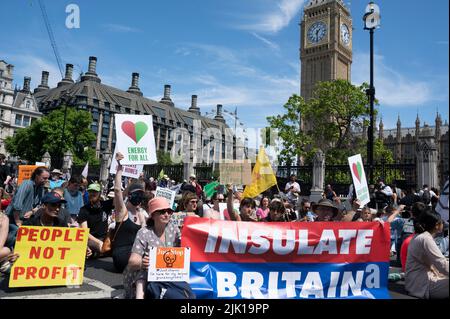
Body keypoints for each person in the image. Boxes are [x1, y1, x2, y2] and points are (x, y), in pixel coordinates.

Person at [124, 197, 181, 299]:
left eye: (169, 211)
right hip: (145, 275)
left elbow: (183, 251)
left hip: (169, 273)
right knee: (143, 272)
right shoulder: (144, 232)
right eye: (162, 212)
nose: (167, 214)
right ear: (153, 215)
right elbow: (133, 261)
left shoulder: (174, 230)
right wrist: (143, 262)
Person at [111, 152, 149, 273]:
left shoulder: (141, 214)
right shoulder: (122, 211)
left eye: (141, 195)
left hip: (135, 254)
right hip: (122, 255)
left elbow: (145, 235)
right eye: (136, 194)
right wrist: (119, 168)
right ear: (130, 195)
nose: (139, 197)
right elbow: (117, 190)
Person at [405, 209, 449, 299]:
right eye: (442, 222)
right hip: (422, 285)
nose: (443, 224)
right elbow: (442, 264)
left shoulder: (420, 236)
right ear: (436, 225)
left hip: (415, 283)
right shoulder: (425, 238)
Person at [77, 183, 114, 257]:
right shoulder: (84, 210)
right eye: (90, 191)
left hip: (105, 238)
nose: (92, 194)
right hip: (92, 240)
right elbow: (85, 232)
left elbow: (121, 197)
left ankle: (98, 253)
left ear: (100, 193)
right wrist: (99, 242)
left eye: (95, 192)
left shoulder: (106, 205)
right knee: (94, 246)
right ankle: (99, 252)